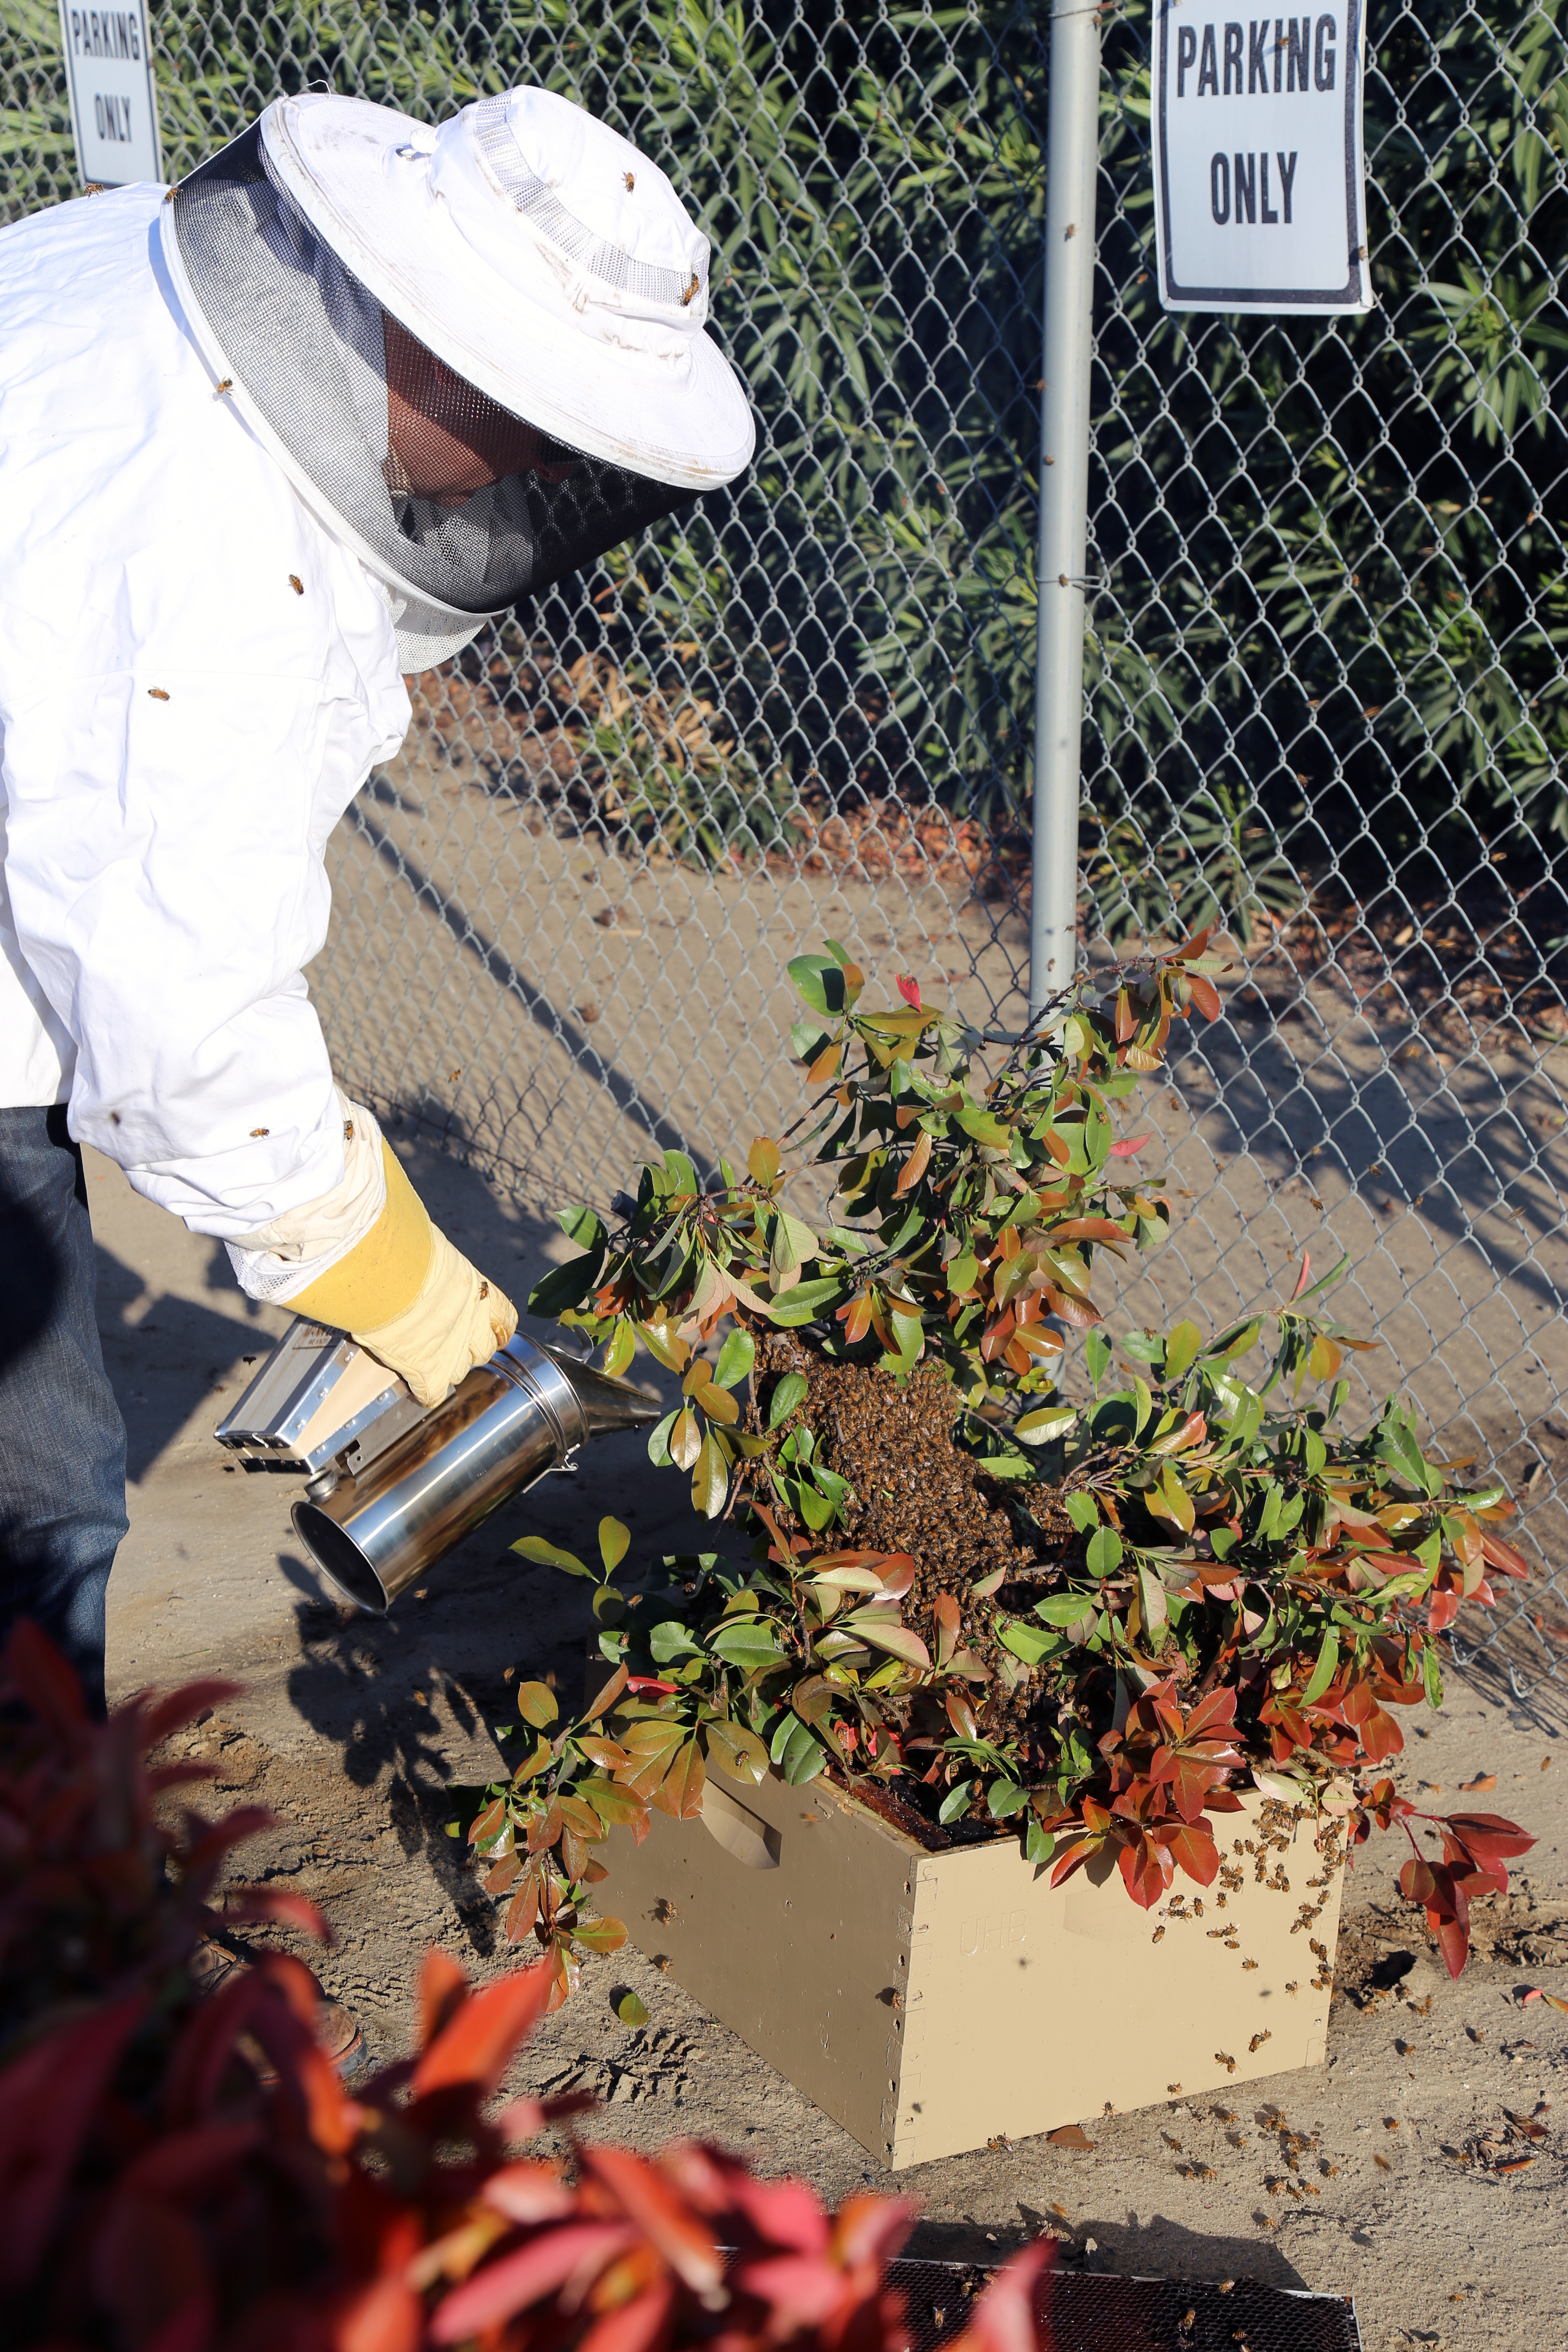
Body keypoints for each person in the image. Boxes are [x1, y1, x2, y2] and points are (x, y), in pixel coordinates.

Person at [0, 86, 755, 1717]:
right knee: (36, 1510)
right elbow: (178, 1016)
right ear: (442, 350)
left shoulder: (111, 263)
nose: (539, 475)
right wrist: (380, 1268)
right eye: (544, 425)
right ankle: (50, 1937)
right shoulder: (223, 566)